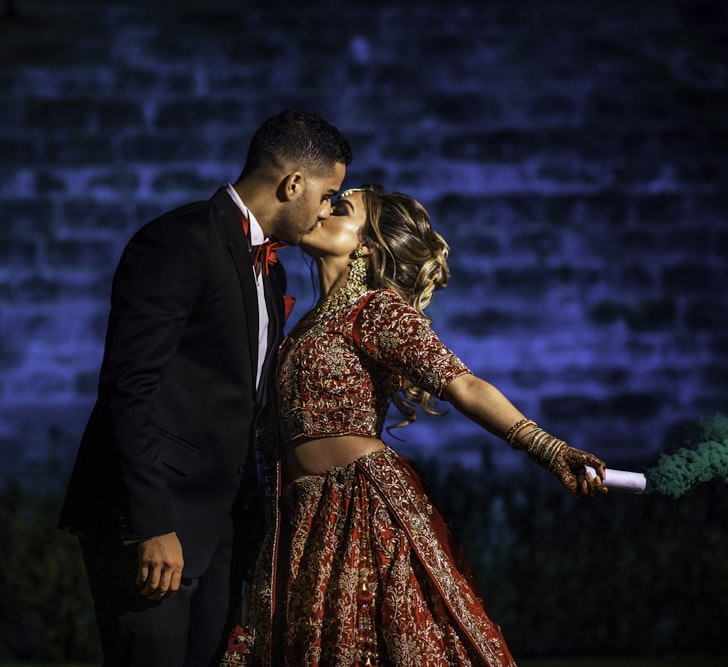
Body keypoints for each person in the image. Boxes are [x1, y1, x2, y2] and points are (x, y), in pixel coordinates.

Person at [222, 184, 608, 666]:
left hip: (359, 508)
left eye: (339, 208)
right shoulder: (304, 324)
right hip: (301, 518)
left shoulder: (378, 310)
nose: (322, 212)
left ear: (367, 244)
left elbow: (463, 385)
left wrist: (547, 449)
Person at [57, 110, 353, 667]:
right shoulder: (178, 240)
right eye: (327, 194)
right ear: (293, 185)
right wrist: (151, 524)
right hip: (152, 525)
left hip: (221, 529)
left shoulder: (274, 273)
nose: (327, 209)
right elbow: (129, 387)